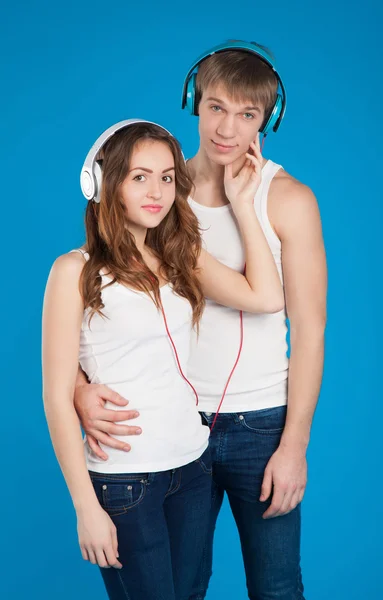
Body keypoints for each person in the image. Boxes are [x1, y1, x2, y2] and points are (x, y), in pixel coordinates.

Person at [74, 40, 327, 600]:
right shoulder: (157, 190)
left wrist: (294, 446)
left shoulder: (289, 200)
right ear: (195, 101)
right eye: (216, 107)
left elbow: (309, 332)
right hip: (174, 429)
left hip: (260, 426)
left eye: (247, 114)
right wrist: (78, 386)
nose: (227, 129)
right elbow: (95, 299)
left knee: (278, 587)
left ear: (268, 119)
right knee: (183, 589)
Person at [42, 118, 284, 600]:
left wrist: (243, 204)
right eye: (139, 177)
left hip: (193, 467)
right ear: (104, 184)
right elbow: (54, 395)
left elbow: (266, 296)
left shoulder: (180, 257)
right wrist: (86, 508)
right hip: (126, 481)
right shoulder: (74, 270)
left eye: (167, 176)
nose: (157, 191)